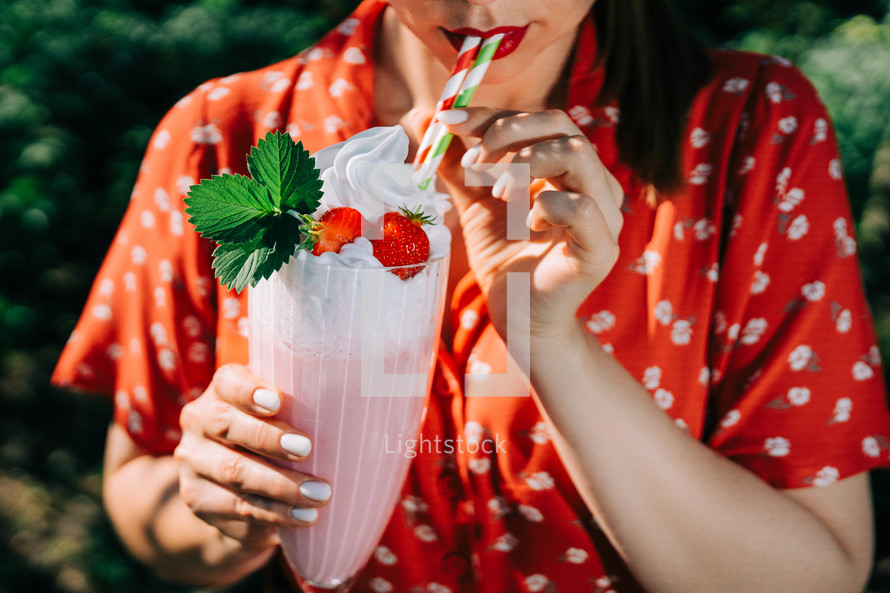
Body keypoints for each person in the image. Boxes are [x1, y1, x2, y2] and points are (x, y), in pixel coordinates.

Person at [52, 0, 890, 591]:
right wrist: (220, 518)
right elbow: (144, 498)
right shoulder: (225, 136)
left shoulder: (752, 132)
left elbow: (818, 575)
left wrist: (552, 343)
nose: (484, 4)